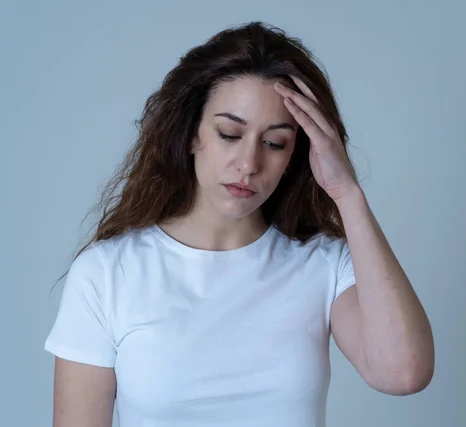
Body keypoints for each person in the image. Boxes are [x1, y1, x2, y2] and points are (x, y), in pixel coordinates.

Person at [44, 21, 435, 427]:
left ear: (294, 157)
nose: (248, 165)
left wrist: (347, 193)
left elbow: (403, 373)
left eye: (274, 143)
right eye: (230, 134)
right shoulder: (108, 273)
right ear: (192, 133)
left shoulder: (323, 265)